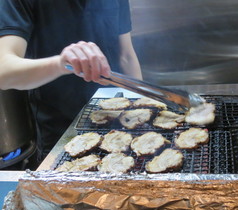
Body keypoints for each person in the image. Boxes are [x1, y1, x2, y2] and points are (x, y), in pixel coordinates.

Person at [0, 0, 142, 166]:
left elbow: (126, 56)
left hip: (118, 126)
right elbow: (4, 71)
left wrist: (140, 108)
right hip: (59, 137)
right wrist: (60, 64)